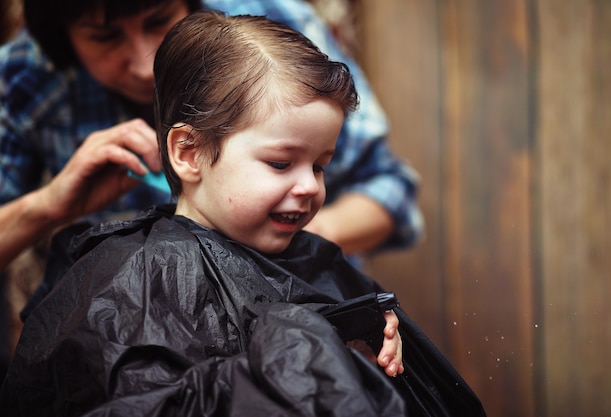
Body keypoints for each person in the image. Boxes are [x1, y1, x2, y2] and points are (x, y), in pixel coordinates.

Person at [1, 11, 407, 415]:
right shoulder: (137, 280)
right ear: (187, 152)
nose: (310, 186)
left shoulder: (314, 261)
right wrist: (297, 354)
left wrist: (362, 340)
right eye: (281, 164)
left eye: (319, 166)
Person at [0, 0, 423, 273]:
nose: (144, 64)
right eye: (104, 37)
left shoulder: (270, 28)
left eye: (159, 20)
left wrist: (288, 242)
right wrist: (45, 207)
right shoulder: (24, 76)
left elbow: (390, 189)